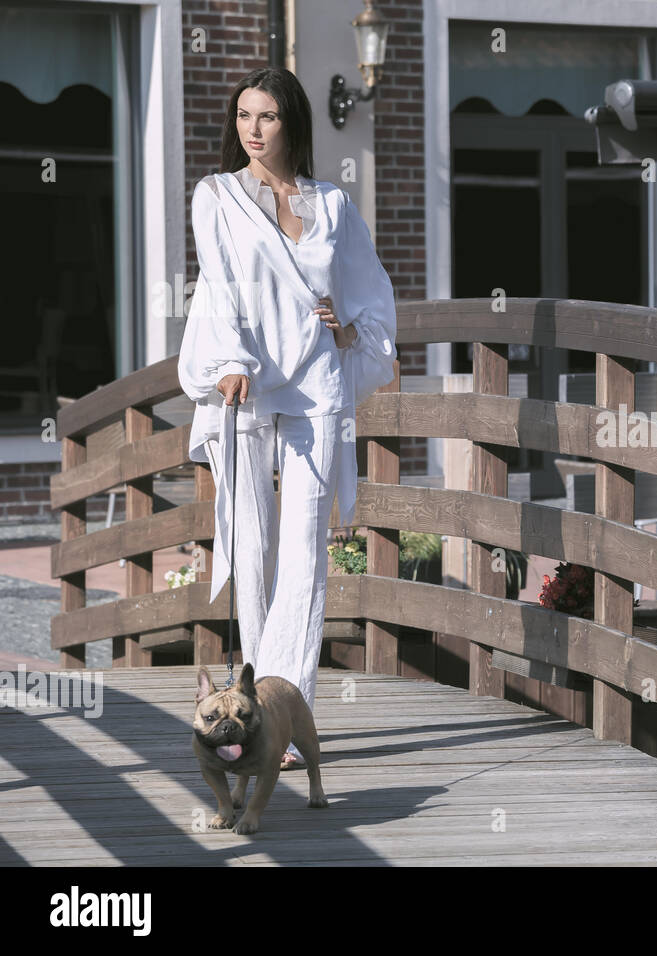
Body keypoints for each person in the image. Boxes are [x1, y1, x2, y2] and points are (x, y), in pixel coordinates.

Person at [178, 67, 397, 770]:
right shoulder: (215, 196)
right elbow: (218, 284)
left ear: (292, 124)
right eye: (244, 114)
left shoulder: (331, 204)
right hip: (245, 387)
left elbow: (369, 297)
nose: (252, 128)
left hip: (318, 389)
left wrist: (346, 333)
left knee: (306, 551)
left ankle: (278, 709)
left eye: (267, 116)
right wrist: (229, 360)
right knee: (254, 546)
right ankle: (254, 701)